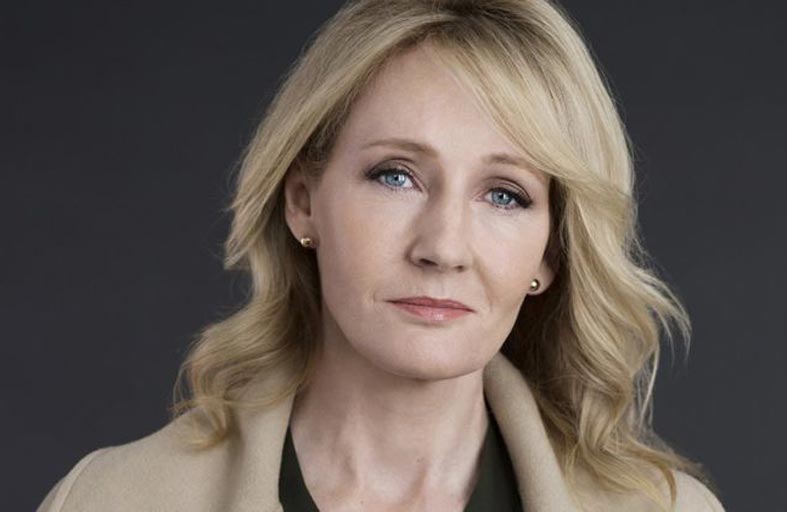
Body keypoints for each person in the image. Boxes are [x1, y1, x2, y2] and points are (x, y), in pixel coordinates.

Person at [38, 1, 726, 511]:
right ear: (303, 202)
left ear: (550, 252)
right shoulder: (110, 501)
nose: (443, 248)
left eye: (504, 194)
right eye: (396, 176)